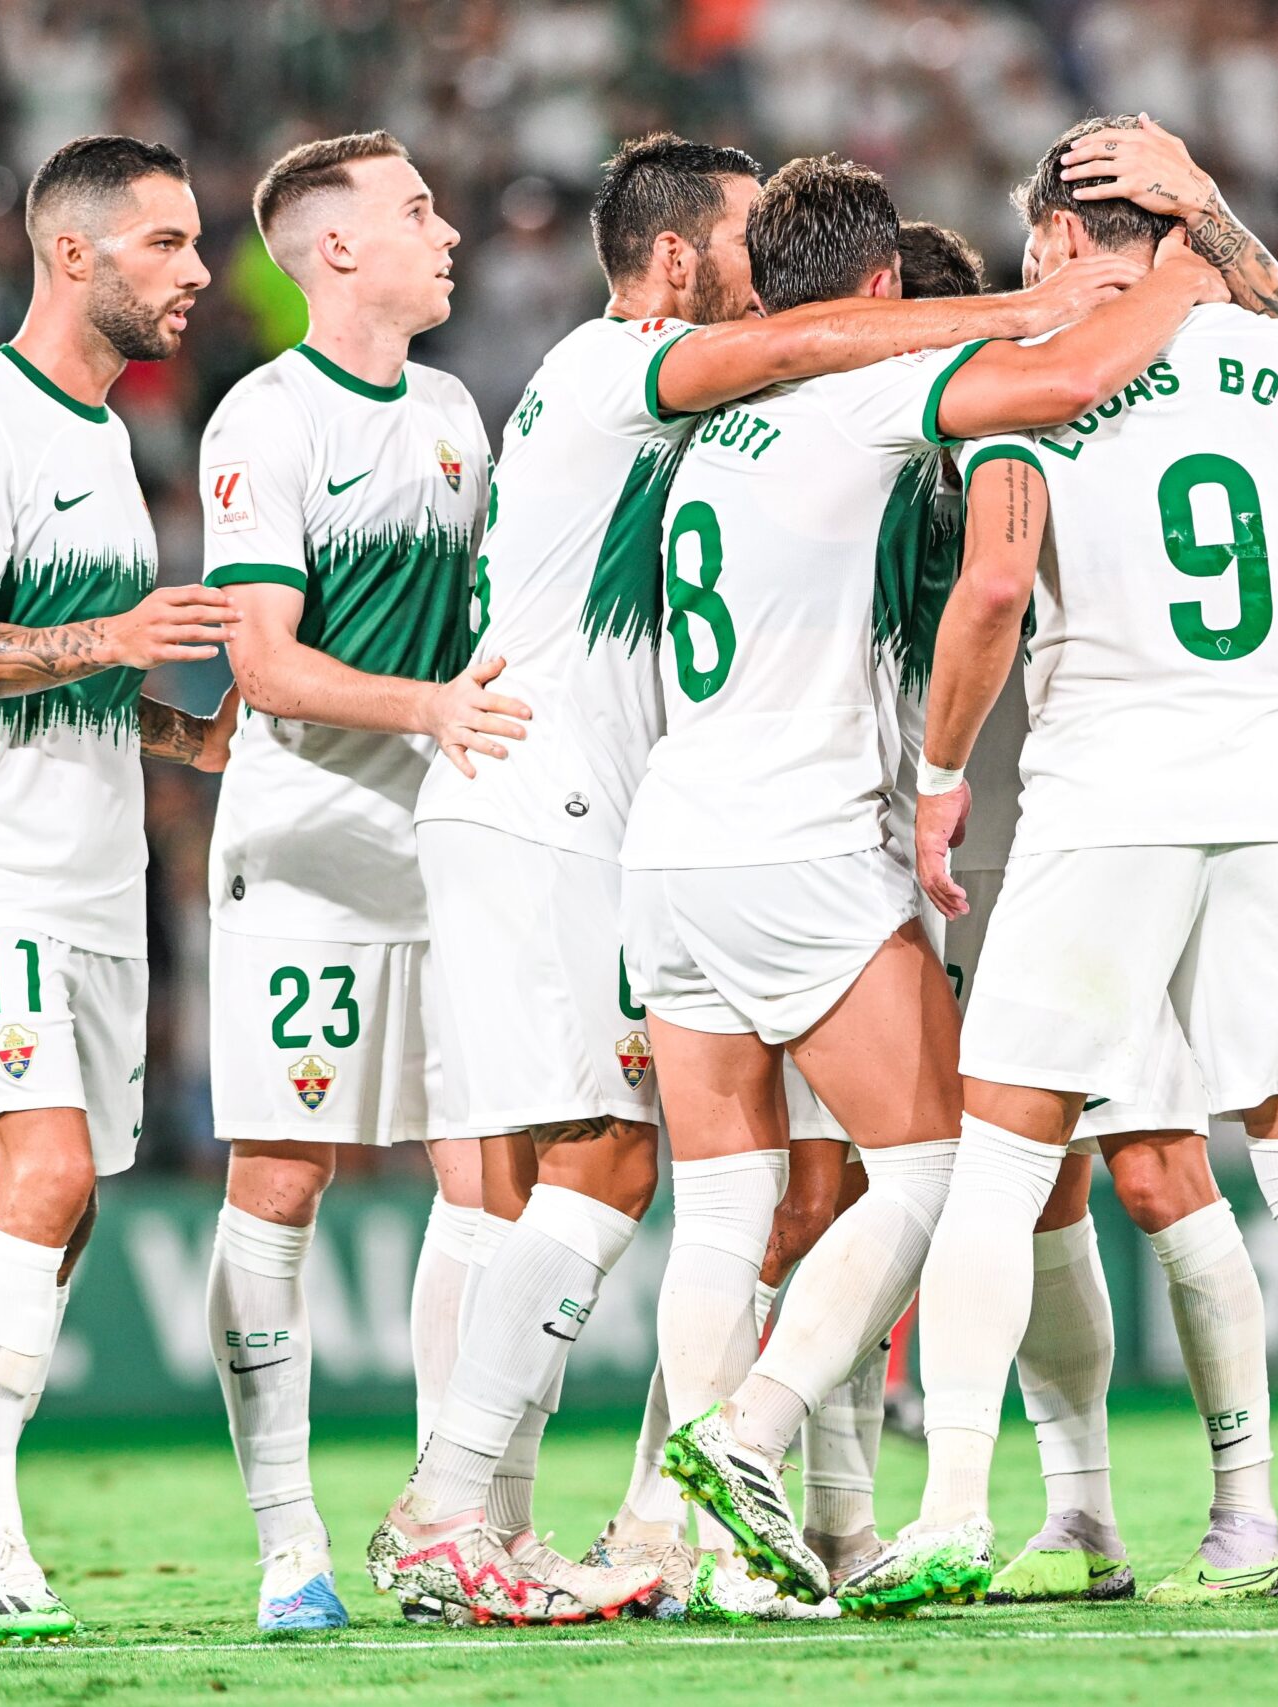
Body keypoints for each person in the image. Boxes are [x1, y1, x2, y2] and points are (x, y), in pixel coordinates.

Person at [377, 133, 1143, 1627]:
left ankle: (664, 1532)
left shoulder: (701, 421)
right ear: (676, 265)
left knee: (682, 1193)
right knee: (883, 1169)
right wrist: (1069, 299)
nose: (752, 283)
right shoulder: (635, 369)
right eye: (731, 244)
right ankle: (480, 1500)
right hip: (583, 808)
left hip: (645, 831)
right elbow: (880, 359)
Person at [646, 152, 1231, 1607]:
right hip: (801, 841)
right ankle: (758, 1433)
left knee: (724, 1211)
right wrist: (1176, 270)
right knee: (951, 1170)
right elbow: (1057, 381)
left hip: (671, 851)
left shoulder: (713, 418)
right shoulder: (859, 398)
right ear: (888, 287)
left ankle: (707, 1539)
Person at [848, 116, 1278, 1614]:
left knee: (1003, 1165)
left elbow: (988, 598)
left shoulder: (1035, 375)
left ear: (1051, 242)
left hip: (1104, 798)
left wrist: (943, 774)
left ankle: (960, 1502)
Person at [0, 134, 236, 1642]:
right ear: (75, 255)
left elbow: (79, 670)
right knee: (49, 1180)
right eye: (166, 243)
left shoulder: (103, 437)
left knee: (70, 1208)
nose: (200, 272)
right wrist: (114, 646)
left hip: (94, 881)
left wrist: (191, 734)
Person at [191, 131, 532, 1634]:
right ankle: (288, 1546)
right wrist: (432, 709)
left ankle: (456, 1519)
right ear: (337, 251)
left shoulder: (457, 409)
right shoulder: (262, 421)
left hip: (451, 841)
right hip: (311, 846)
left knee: (487, 1171)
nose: (446, 231)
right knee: (282, 1177)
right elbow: (260, 662)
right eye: (415, 212)